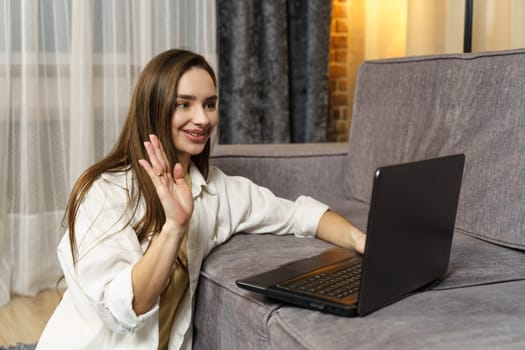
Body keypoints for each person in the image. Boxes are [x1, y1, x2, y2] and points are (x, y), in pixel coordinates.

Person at [36, 49, 366, 350]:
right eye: (184, 104)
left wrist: (359, 238)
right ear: (154, 109)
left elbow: (299, 215)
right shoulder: (105, 193)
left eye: (210, 104)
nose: (203, 118)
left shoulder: (218, 190)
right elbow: (126, 308)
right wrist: (174, 227)